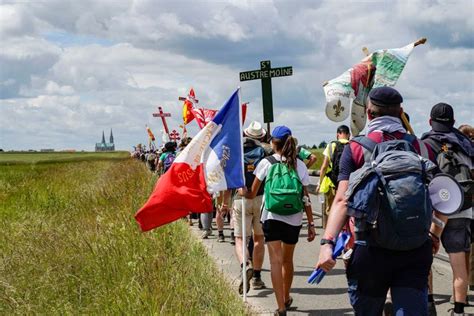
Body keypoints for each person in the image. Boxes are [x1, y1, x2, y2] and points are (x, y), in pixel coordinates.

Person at [316, 87, 448, 315]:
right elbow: (444, 198)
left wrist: (327, 244)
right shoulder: (423, 148)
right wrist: (435, 233)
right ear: (401, 112)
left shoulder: (355, 148)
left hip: (369, 248)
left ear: (368, 113)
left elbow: (341, 201)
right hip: (415, 247)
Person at [241, 126, 316, 316]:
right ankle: (286, 296)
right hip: (294, 218)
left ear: (273, 143)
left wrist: (240, 188)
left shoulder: (266, 163)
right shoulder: (300, 165)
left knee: (275, 261)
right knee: (287, 260)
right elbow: (305, 196)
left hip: (272, 217)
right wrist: (311, 223)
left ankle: (281, 308)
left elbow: (251, 193)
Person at [422, 104, 473, 316]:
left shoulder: (425, 144)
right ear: (453, 122)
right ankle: (459, 310)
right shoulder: (466, 145)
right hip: (462, 209)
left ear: (429, 121)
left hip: (434, 212)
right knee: (458, 264)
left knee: (425, 258)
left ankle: (429, 302)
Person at [231, 121, 268, 294]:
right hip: (260, 198)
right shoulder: (265, 152)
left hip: (241, 198)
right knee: (259, 238)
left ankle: (245, 264)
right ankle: (258, 278)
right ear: (261, 136)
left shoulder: (237, 152)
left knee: (240, 238)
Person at [316, 125, 350, 228]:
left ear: (337, 134)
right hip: (348, 184)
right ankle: (345, 234)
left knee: (331, 210)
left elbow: (324, 166)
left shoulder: (331, 146)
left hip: (331, 183)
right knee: (346, 210)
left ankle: (331, 235)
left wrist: (320, 182)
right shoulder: (352, 145)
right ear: (349, 135)